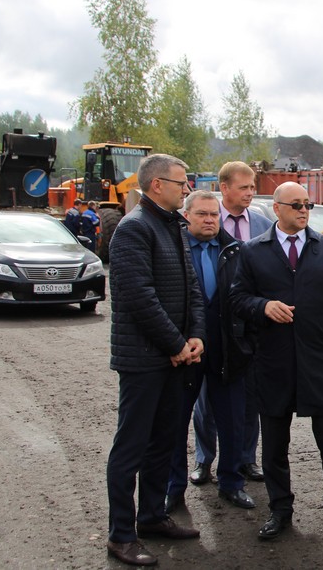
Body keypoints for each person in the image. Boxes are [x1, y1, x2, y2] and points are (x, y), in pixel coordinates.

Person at [229, 182, 323, 540]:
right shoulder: (253, 251)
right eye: (296, 205)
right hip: (273, 361)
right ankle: (280, 509)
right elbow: (237, 299)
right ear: (277, 208)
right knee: (274, 443)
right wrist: (263, 306)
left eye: (307, 204)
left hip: (317, 359)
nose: (303, 210)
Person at [105, 153, 205, 567]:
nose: (187, 189)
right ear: (157, 185)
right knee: (131, 447)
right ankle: (121, 535)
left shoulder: (172, 226)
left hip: (175, 358)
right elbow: (138, 297)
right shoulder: (134, 229)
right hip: (145, 360)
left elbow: (192, 287)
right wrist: (175, 343)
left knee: (163, 442)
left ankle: (151, 517)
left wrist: (195, 335)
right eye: (182, 183)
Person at [165, 190, 258, 516]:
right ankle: (173, 489)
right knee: (175, 423)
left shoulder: (236, 251)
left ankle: (232, 482)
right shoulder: (173, 250)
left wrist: (247, 342)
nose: (209, 220)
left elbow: (249, 297)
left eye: (214, 215)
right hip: (183, 351)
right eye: (202, 214)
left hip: (227, 349)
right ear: (186, 216)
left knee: (232, 420)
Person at [188, 161, 273, 489]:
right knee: (206, 403)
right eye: (244, 187)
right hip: (210, 326)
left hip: (248, 329)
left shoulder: (263, 224)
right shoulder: (207, 221)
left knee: (249, 400)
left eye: (253, 187)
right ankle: (204, 460)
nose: (250, 193)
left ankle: (245, 458)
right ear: (224, 188)